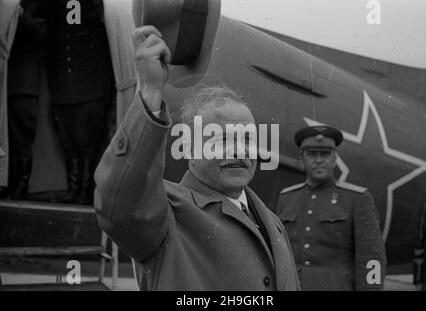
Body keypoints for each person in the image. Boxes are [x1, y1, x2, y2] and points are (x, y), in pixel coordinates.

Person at [94, 26, 300, 291]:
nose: (238, 150)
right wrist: (150, 92)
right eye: (222, 139)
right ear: (190, 150)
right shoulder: (167, 213)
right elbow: (120, 203)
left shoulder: (270, 220)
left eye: (247, 139)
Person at [276, 125, 386, 290]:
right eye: (311, 154)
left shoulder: (358, 199)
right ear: (302, 158)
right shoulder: (287, 197)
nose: (319, 160)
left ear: (335, 158)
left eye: (325, 154)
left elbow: (372, 258)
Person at [46, 0, 115, 204]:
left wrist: (104, 97)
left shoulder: (94, 29)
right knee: (69, 143)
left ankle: (84, 192)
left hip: (90, 95)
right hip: (64, 95)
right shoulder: (58, 32)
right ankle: (74, 190)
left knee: (86, 145)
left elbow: (103, 65)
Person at [0, 0, 48, 200]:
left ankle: (21, 184)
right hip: (8, 82)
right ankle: (9, 183)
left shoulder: (35, 5)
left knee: (21, 138)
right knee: (8, 137)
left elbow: (43, 32)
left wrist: (20, 15)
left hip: (24, 84)